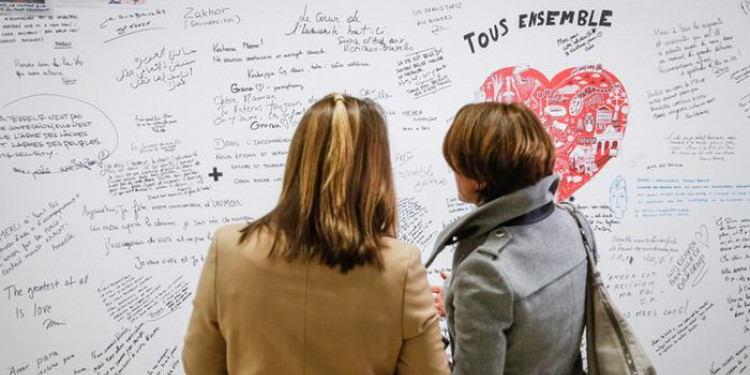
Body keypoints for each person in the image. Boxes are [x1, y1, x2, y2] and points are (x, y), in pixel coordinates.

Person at [183, 93, 450, 375]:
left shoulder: (229, 248)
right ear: (375, 170)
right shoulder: (401, 266)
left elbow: (199, 365)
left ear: (299, 158)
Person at [425, 102, 593, 375]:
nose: (453, 173)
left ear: (479, 178)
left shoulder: (483, 273)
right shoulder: (574, 224)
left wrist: (423, 342)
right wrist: (459, 305)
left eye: (455, 164)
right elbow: (532, 319)